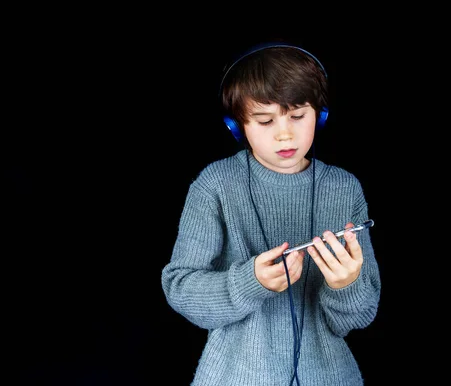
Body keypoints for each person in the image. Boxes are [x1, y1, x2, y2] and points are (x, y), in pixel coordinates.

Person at [161, 41, 381, 385]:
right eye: (264, 121)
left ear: (319, 115)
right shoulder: (215, 185)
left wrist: (346, 285)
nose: (284, 133)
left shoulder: (344, 188)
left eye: (297, 116)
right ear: (238, 127)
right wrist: (251, 283)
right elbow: (180, 289)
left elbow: (357, 317)